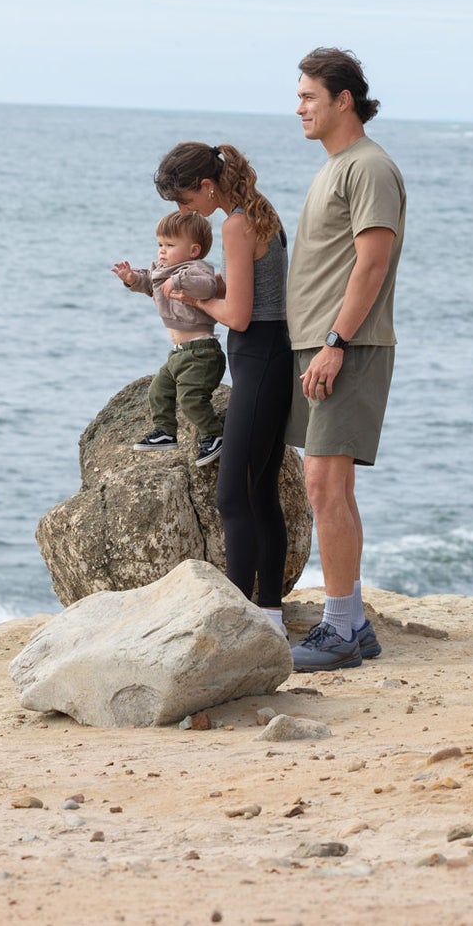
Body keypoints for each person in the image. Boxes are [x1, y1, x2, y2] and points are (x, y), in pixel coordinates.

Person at [287, 47, 406, 671]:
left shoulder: (369, 167)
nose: (299, 107)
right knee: (334, 484)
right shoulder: (337, 166)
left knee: (324, 483)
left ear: (344, 100)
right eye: (299, 95)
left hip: (346, 345)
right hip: (322, 344)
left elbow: (373, 262)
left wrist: (335, 343)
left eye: (309, 96)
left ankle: (337, 629)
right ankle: (352, 623)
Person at [153, 141, 293, 635]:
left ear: (207, 185)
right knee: (261, 494)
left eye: (185, 201)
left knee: (234, 495)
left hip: (257, 356)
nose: (184, 211)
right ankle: (271, 616)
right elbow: (252, 292)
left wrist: (191, 297)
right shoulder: (259, 210)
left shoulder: (236, 223)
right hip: (274, 353)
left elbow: (237, 314)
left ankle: (235, 620)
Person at [112, 211, 225, 459]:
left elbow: (207, 286)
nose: (162, 251)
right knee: (158, 391)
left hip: (202, 352)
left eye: (170, 245)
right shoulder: (162, 271)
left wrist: (179, 281)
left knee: (191, 399)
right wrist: (132, 279)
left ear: (194, 250)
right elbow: (149, 283)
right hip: (179, 354)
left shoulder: (197, 269)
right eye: (160, 244)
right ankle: (164, 432)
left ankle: (214, 434)